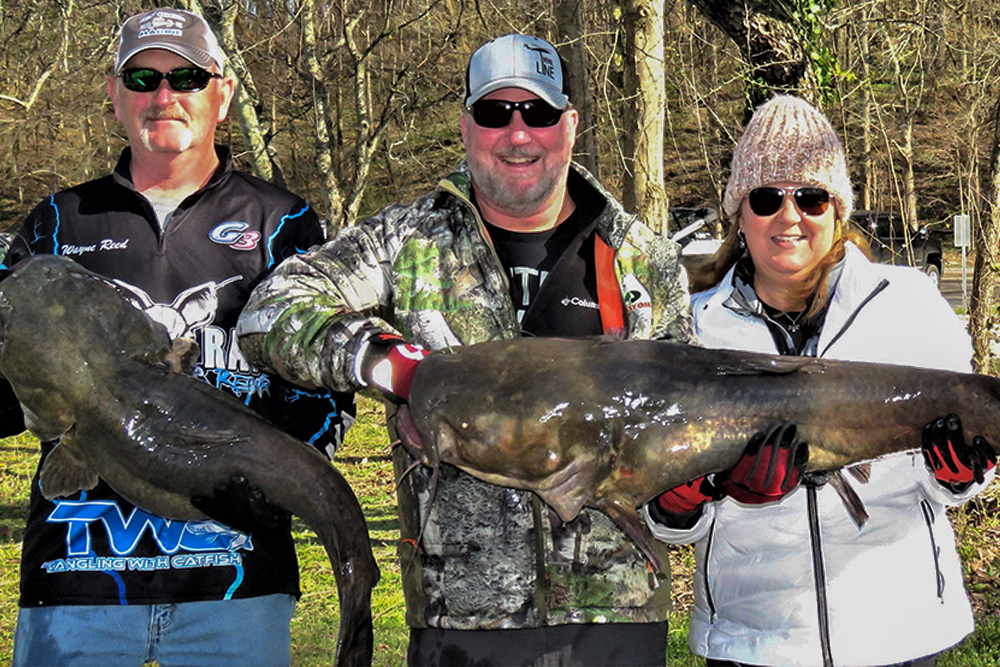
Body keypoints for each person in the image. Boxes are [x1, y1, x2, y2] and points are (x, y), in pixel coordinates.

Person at [237, 33, 692, 666]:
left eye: (536, 112)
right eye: (493, 113)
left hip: (616, 617)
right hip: (461, 623)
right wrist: (395, 369)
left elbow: (682, 424)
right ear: (465, 126)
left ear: (570, 124)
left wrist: (715, 477)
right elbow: (269, 310)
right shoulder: (409, 240)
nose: (517, 133)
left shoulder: (644, 257)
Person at [3, 8, 354, 666]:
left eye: (185, 76)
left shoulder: (284, 223)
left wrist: (266, 462)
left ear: (220, 93)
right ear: (114, 94)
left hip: (237, 585)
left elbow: (330, 393)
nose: (163, 95)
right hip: (74, 587)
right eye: (142, 77)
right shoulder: (55, 225)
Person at [644, 95, 996, 667]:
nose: (789, 216)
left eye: (809, 196)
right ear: (739, 212)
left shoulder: (911, 307)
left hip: (898, 633)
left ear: (837, 209)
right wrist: (687, 495)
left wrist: (958, 475)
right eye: (766, 198)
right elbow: (669, 521)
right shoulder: (688, 330)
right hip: (752, 641)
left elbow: (954, 477)